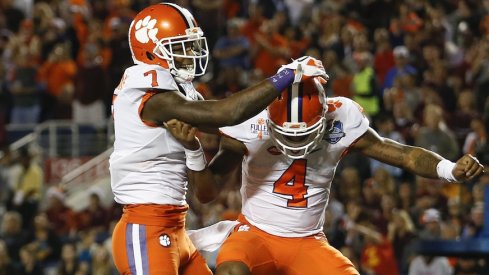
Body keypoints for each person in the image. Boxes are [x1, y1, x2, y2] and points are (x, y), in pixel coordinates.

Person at [167, 74, 484, 275]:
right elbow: (207, 191)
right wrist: (192, 148)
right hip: (255, 234)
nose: (295, 143)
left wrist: (449, 169)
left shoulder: (340, 117)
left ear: (323, 119)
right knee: (231, 272)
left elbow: (403, 153)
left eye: (303, 134)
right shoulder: (250, 120)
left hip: (307, 240)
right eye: (287, 135)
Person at [108, 2, 327, 275]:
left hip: (174, 225)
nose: (190, 53)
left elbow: (230, 127)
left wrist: (280, 124)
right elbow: (227, 113)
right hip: (146, 228)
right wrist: (286, 76)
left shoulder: (175, 91)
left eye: (191, 45)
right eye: (180, 46)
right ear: (151, 50)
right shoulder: (151, 95)